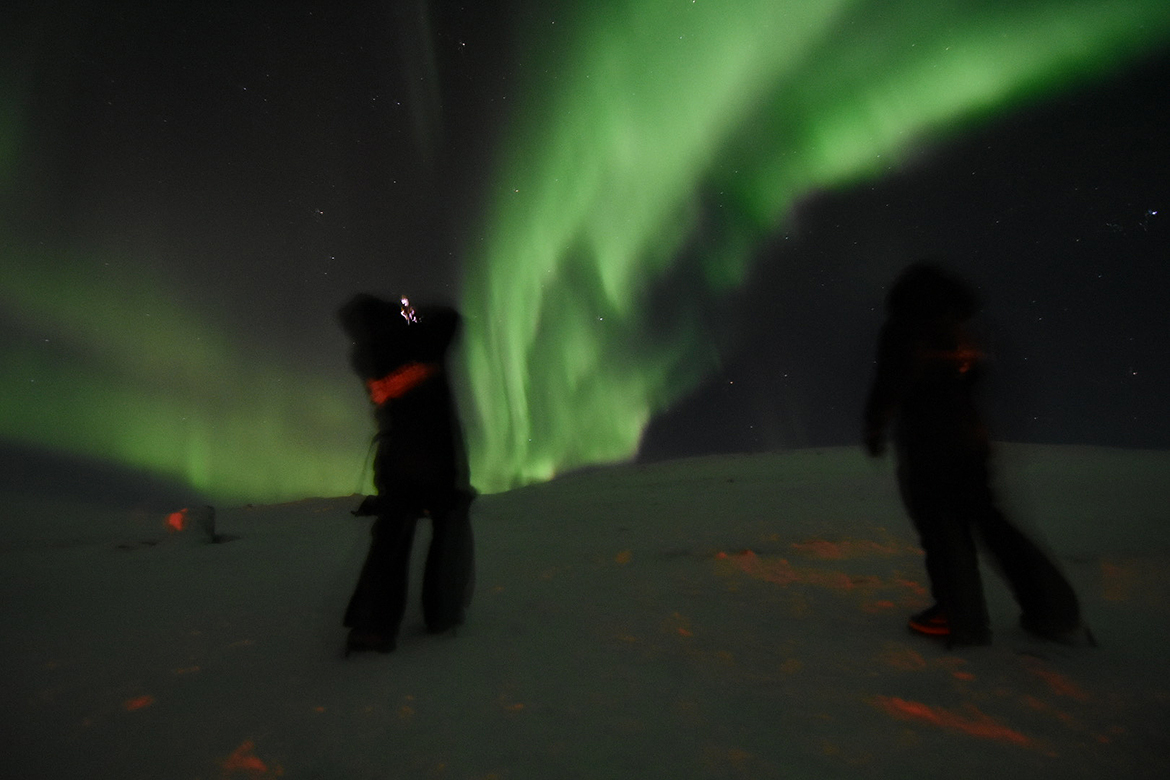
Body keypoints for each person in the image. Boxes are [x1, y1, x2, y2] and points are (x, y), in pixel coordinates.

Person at [863, 262, 1086, 647]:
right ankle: (1053, 610)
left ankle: (959, 619)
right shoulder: (960, 330)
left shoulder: (903, 329)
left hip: (928, 445)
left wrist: (874, 427)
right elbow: (974, 379)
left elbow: (891, 382)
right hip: (970, 443)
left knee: (943, 532)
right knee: (993, 525)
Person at [338, 293, 475, 655]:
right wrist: (413, 315)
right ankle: (441, 613)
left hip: (397, 463)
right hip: (436, 461)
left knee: (390, 542)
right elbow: (448, 319)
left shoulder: (368, 358)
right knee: (446, 534)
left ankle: (372, 625)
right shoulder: (422, 343)